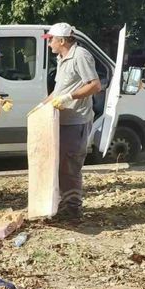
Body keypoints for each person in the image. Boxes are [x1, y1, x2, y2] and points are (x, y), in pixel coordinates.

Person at [40, 23, 101, 219]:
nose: (49, 44)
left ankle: (72, 209)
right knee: (59, 165)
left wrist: (69, 98)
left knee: (70, 166)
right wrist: (41, 106)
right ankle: (62, 204)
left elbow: (95, 85)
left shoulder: (80, 56)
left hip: (76, 121)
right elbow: (58, 92)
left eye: (51, 40)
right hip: (62, 121)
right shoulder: (61, 58)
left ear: (62, 40)